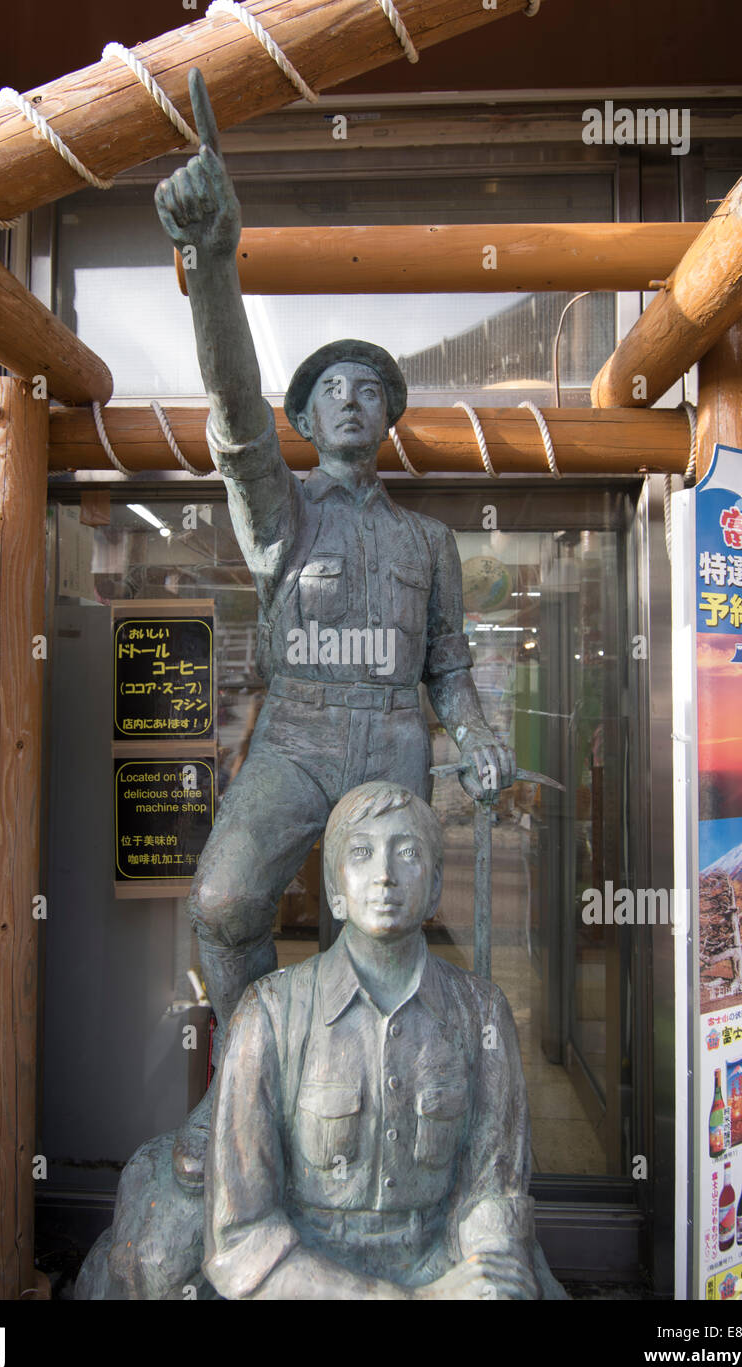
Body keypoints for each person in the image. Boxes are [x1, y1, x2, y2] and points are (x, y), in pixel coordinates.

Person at [155, 71, 515, 1186]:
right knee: (223, 901)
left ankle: (374, 1135)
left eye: (371, 387)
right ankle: (239, 1102)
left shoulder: (429, 545)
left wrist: (478, 733)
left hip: (390, 746)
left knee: (382, 939)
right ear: (306, 423)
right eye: (331, 390)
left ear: (387, 421)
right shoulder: (282, 513)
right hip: (298, 737)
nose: (352, 398)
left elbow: (448, 665)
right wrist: (214, 266)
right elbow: (228, 411)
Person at [203, 781, 541, 1300]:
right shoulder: (269, 1014)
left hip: (445, 1267)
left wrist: (487, 1273)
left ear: (434, 887)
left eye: (407, 854)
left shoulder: (482, 1013)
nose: (384, 875)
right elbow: (241, 1237)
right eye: (361, 853)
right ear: (334, 889)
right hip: (311, 1282)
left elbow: (493, 1189)